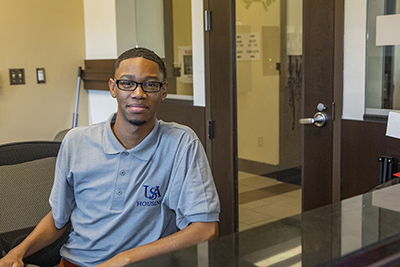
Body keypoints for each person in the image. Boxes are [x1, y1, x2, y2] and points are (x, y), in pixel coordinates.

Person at [0, 47, 220, 267]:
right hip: (75, 262)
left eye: (150, 84)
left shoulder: (181, 142)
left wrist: (124, 258)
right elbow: (58, 219)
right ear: (113, 88)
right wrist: (16, 253)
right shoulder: (76, 141)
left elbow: (206, 229)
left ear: (164, 91)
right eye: (127, 83)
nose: (138, 93)